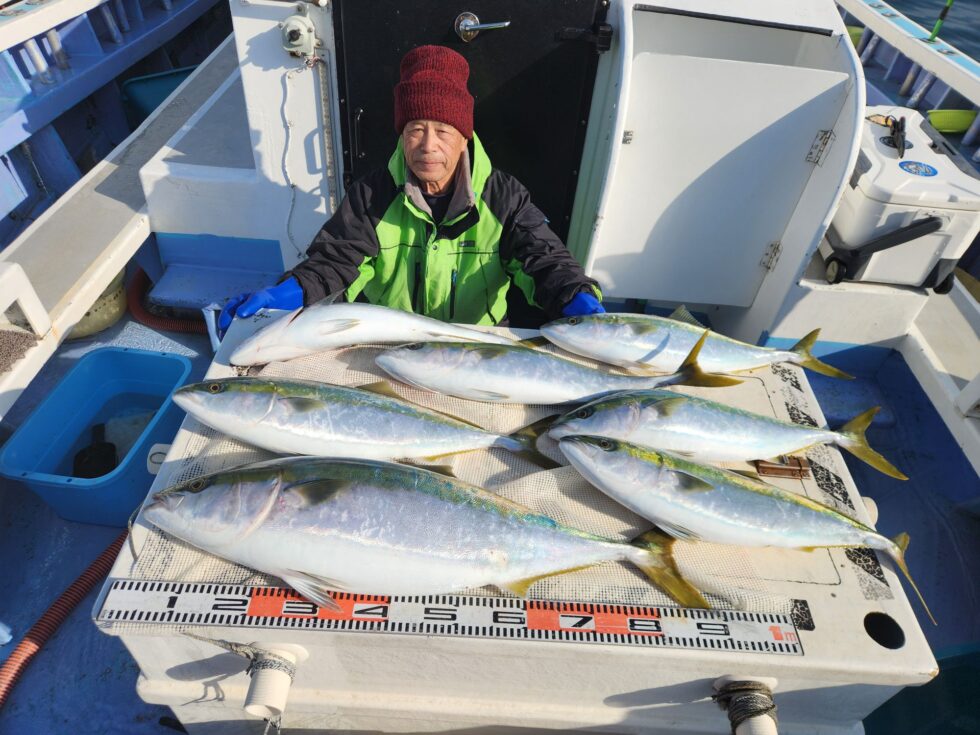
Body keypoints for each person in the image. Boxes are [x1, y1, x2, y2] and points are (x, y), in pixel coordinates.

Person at [219, 45, 604, 335]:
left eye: (443, 130)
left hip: (477, 343)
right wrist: (287, 293)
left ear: (464, 137)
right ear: (402, 136)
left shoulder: (504, 198)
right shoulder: (371, 196)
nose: (428, 145)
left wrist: (577, 298)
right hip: (387, 343)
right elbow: (335, 264)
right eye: (415, 129)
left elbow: (544, 260)